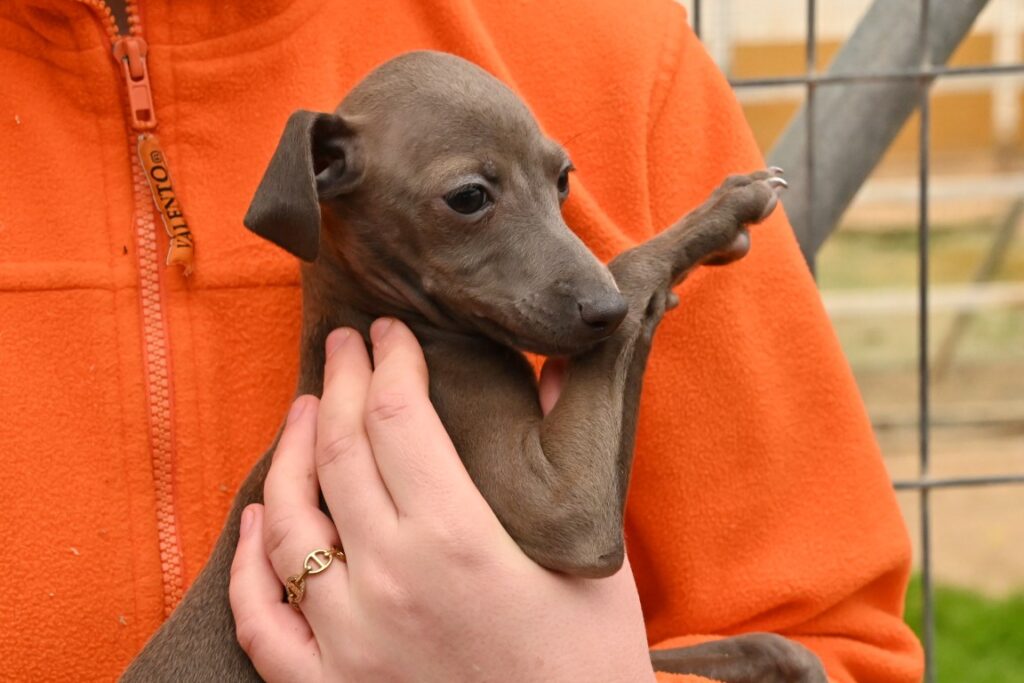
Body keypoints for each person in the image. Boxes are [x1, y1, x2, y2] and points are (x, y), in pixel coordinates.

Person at [0, 0, 923, 681]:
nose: (584, 275)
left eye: (561, 187)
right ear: (317, 188)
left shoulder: (615, 58)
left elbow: (842, 650)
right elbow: (576, 526)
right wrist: (653, 267)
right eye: (471, 202)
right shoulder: (399, 322)